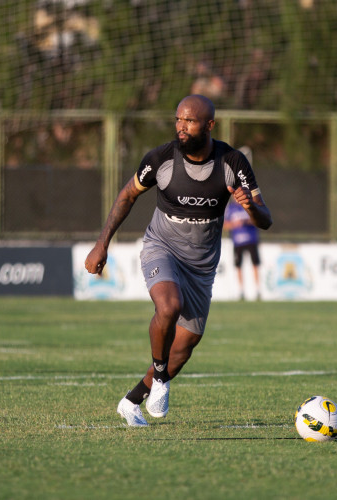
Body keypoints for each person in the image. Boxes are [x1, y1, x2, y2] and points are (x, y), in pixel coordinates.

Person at [85, 95, 272, 427]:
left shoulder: (233, 162)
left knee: (184, 348)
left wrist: (250, 208)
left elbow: (265, 220)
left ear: (209, 125)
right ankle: (160, 380)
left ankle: (130, 402)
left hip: (202, 265)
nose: (181, 127)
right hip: (162, 248)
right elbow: (127, 194)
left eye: (190, 121)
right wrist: (102, 244)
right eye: (178, 120)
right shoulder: (161, 159)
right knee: (168, 307)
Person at [224, 195, 261, 301]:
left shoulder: (250, 206)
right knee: (238, 266)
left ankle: (258, 290)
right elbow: (225, 224)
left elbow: (258, 220)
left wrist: (246, 221)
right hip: (237, 242)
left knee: (255, 265)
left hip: (251, 239)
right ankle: (241, 291)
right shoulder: (230, 208)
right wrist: (235, 224)